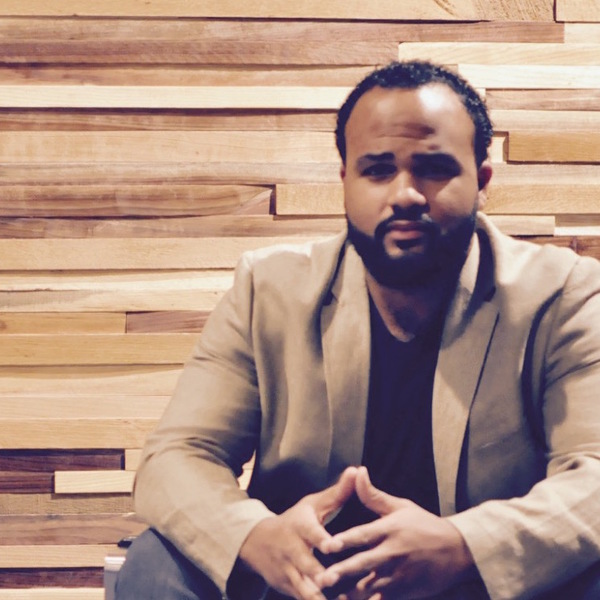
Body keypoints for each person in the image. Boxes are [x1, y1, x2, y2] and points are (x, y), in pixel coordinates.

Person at [115, 60, 600, 599]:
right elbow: (176, 456)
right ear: (344, 180)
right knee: (155, 563)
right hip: (304, 580)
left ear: (482, 181)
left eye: (434, 168)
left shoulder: (563, 295)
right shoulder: (268, 290)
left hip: (471, 582)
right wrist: (254, 536)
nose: (406, 193)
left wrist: (465, 544)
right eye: (377, 169)